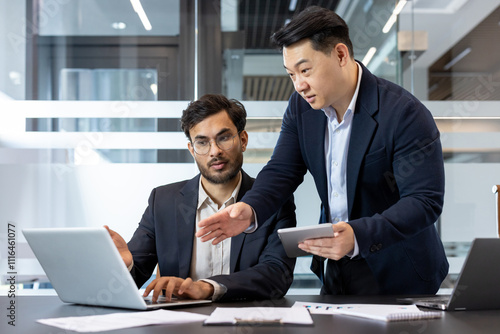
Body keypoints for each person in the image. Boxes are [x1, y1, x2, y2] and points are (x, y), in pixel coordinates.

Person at [196, 6, 448, 295]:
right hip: (335, 266)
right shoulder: (302, 108)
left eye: (305, 70)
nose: (299, 85)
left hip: (399, 267)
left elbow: (424, 201)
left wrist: (358, 235)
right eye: (291, 74)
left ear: (340, 55)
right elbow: (282, 169)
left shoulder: (404, 112)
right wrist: (250, 208)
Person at [107, 94, 296, 302]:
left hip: (244, 322)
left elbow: (277, 275)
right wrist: (126, 267)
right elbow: (135, 275)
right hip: (180, 324)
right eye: (202, 142)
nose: (214, 151)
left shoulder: (272, 200)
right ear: (192, 150)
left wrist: (208, 288)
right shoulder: (162, 201)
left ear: (243, 140)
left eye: (224, 138)